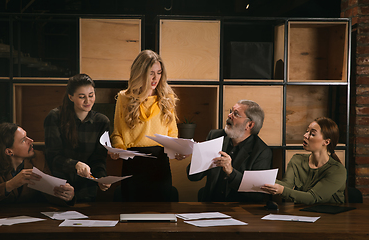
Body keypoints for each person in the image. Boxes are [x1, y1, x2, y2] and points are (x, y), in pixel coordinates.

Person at [110, 49, 182, 202]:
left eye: (159, 72)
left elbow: (173, 133)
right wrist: (117, 149)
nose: (156, 78)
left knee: (161, 217)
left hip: (160, 165)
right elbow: (117, 133)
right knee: (131, 217)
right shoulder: (124, 98)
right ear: (140, 73)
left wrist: (177, 150)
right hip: (132, 165)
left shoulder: (167, 98)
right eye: (151, 73)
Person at [0, 122, 74, 210]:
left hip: (32, 219)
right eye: (23, 140)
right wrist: (10, 185)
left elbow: (49, 193)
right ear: (9, 151)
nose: (31, 141)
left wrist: (67, 196)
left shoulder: (39, 159)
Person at [187, 99, 272, 202]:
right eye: (231, 111)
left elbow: (256, 195)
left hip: (240, 210)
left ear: (249, 125)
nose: (229, 115)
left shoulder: (261, 152)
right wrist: (199, 157)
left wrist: (231, 173)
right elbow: (192, 177)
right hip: (210, 206)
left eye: (236, 114)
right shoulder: (215, 136)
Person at [44, 74, 111, 202]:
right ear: (71, 97)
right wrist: (75, 164)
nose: (88, 101)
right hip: (61, 187)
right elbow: (53, 157)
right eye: (82, 97)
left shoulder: (102, 122)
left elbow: (99, 158)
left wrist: (102, 178)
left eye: (91, 95)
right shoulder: (55, 117)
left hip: (87, 189)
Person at [261, 117, 347, 204]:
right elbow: (287, 185)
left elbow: (312, 197)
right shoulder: (297, 160)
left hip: (331, 216)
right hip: (302, 214)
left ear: (326, 142)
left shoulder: (337, 170)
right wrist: (262, 179)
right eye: (307, 131)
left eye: (312, 134)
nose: (305, 135)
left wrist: (282, 191)